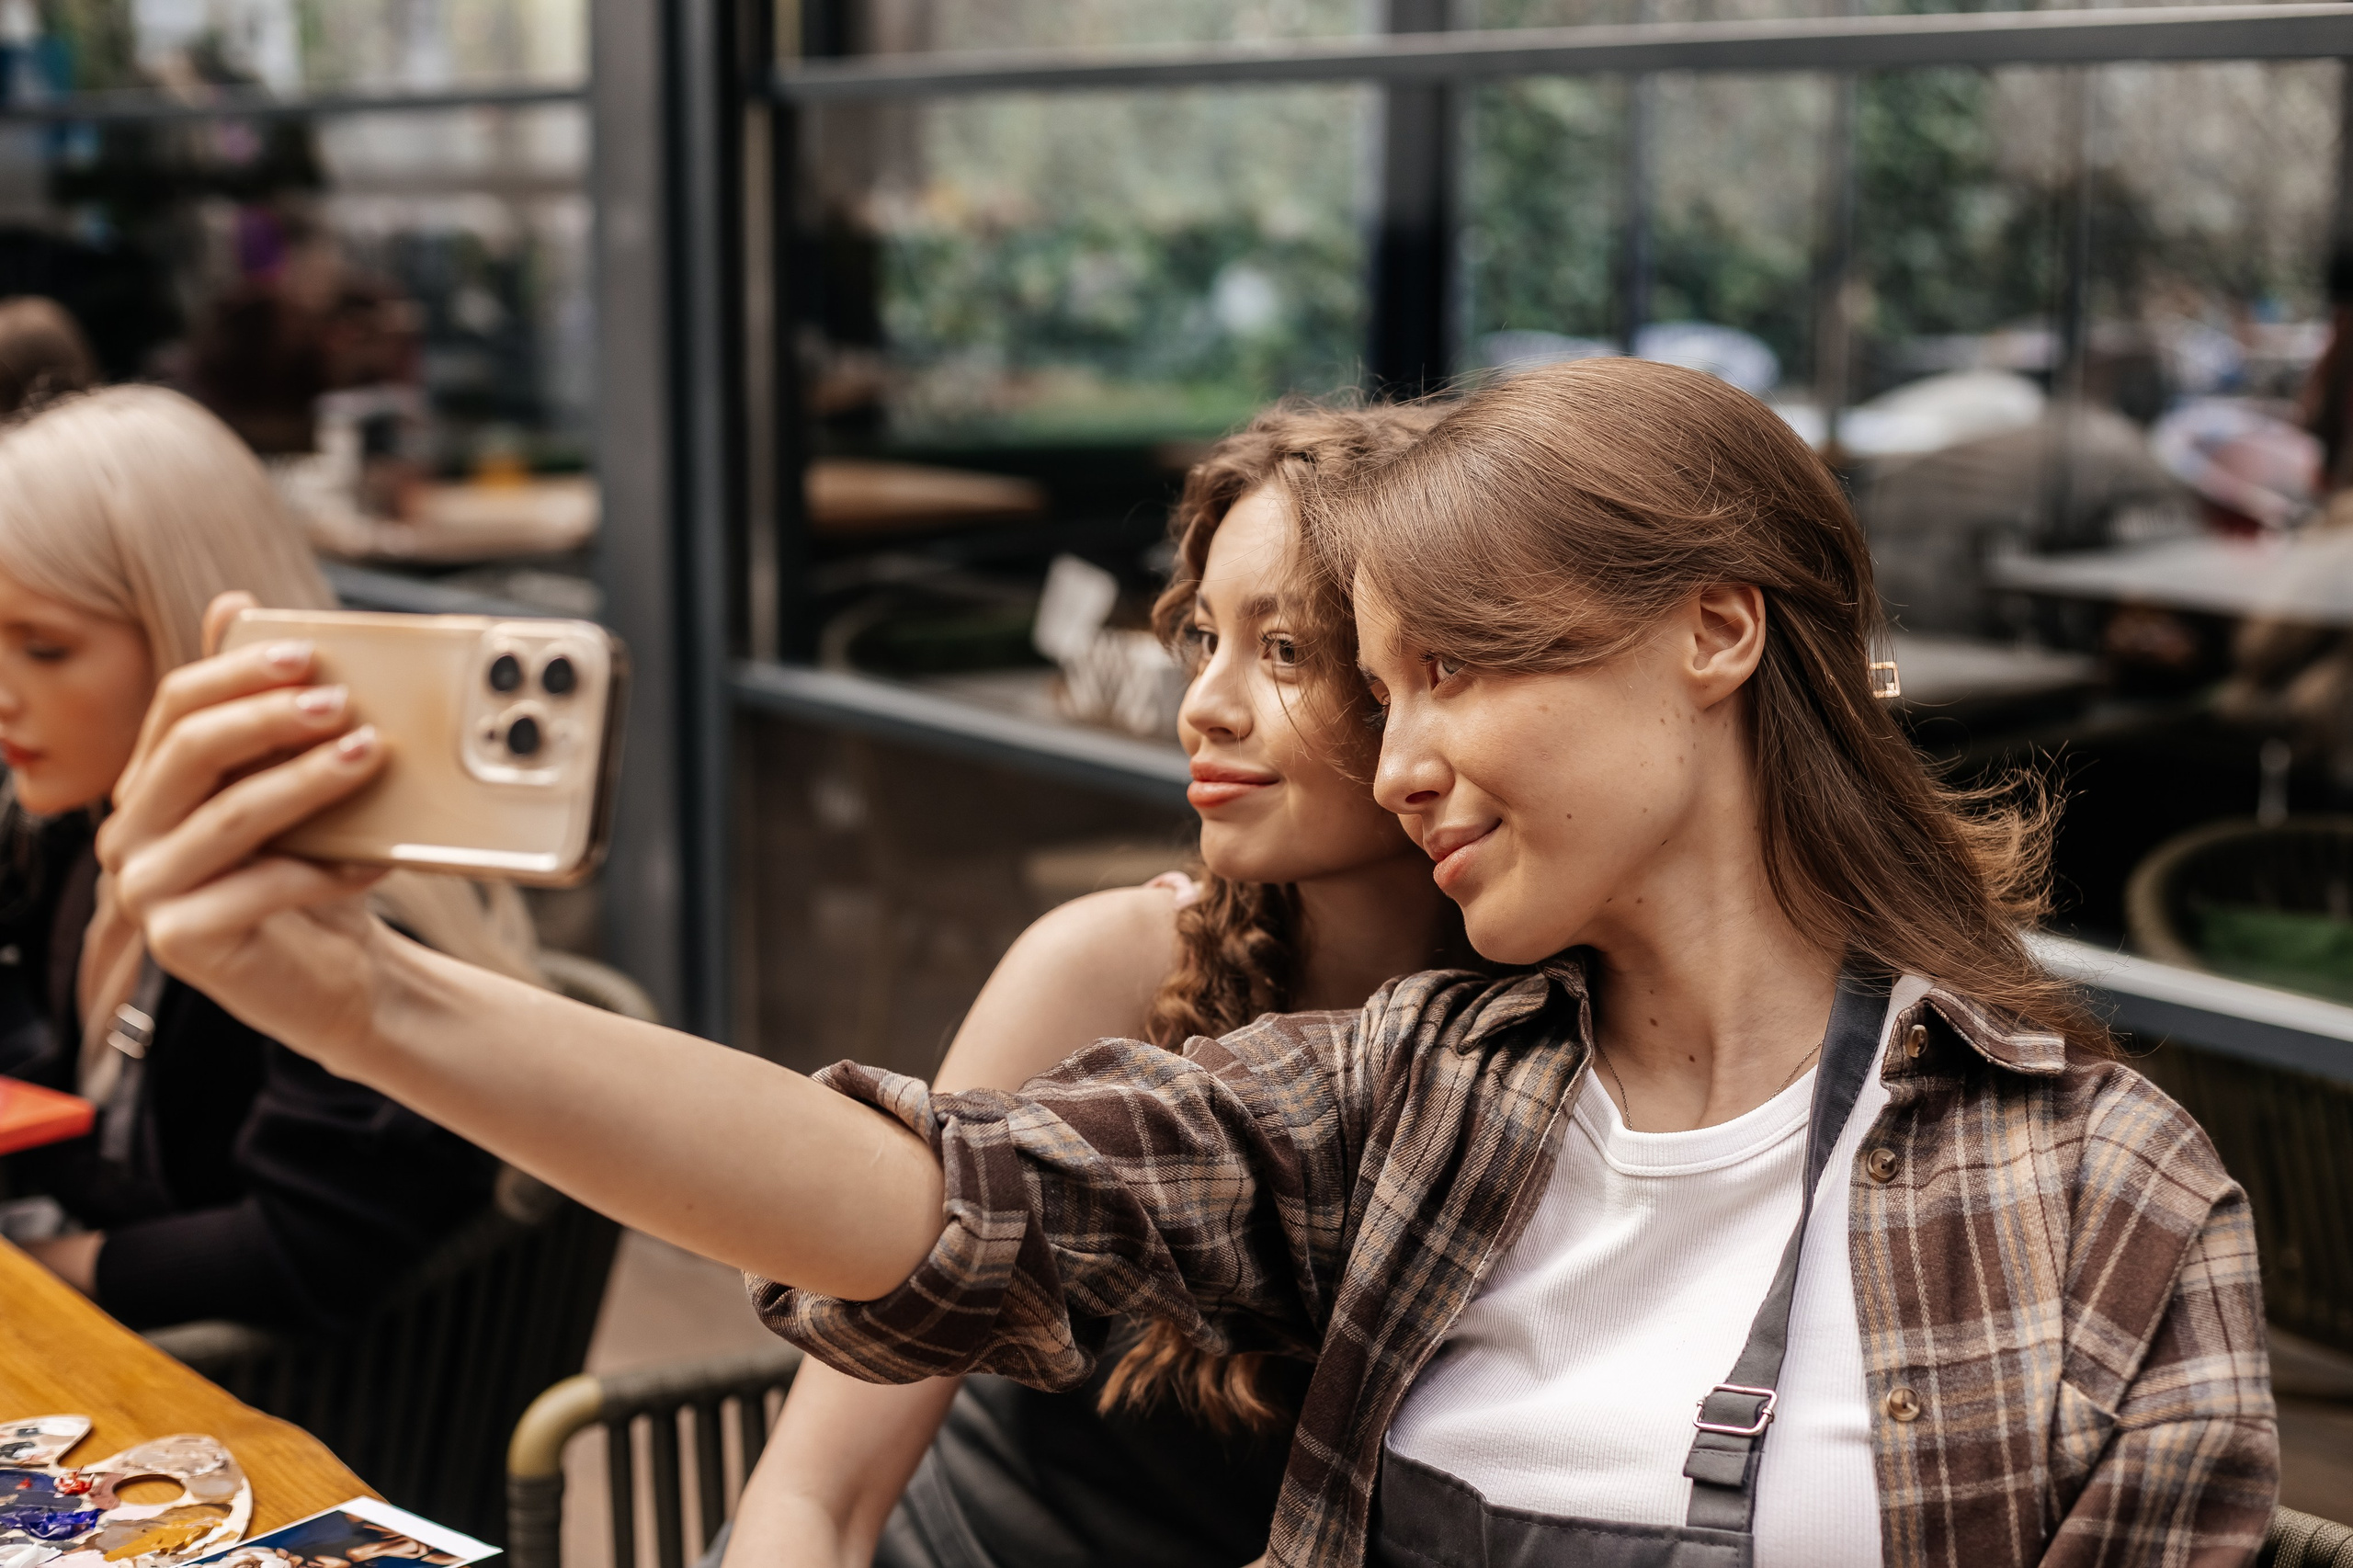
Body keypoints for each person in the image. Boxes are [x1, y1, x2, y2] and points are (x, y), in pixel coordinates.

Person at [101, 358, 2274, 1565]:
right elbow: (918, 1198)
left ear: (1713, 629)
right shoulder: (1423, 1083)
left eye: (1443, 674)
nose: (1394, 757)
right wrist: (363, 995)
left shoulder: (2099, 1194)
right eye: (1377, 687)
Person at [729, 403, 1463, 1568]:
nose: (1203, 703)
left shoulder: (1551, 1036)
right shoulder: (1107, 962)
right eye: (1204, 638)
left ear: (1436, 681)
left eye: (1283, 650)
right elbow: (813, 1495)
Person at [0, 384, 543, 1335]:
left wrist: (37, 1273)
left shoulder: (325, 899)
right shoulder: (74, 830)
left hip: (266, 1393)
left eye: (44, 648)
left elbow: (310, 1249)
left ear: (193, 637)